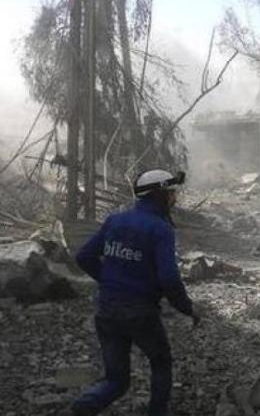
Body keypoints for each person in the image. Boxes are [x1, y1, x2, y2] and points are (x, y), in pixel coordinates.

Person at [70, 169, 199, 416]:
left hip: (106, 311)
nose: (174, 198)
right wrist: (187, 308)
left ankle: (86, 405)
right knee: (161, 362)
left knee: (116, 380)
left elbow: (84, 256)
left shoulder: (115, 220)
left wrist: (110, 281)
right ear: (159, 195)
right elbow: (169, 278)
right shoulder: (160, 229)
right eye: (171, 193)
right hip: (140, 313)